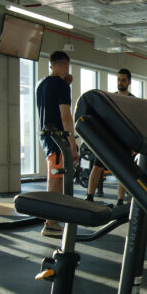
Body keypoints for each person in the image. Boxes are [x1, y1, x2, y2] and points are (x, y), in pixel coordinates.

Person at [36, 51, 79, 237]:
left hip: (46, 136)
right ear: (65, 65)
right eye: (67, 66)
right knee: (55, 180)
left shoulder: (41, 84)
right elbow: (65, 116)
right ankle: (50, 223)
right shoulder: (61, 86)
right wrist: (72, 144)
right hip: (58, 138)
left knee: (57, 178)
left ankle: (52, 219)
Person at [84, 68, 136, 206]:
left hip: (124, 141)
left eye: (123, 80)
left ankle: (120, 200)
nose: (120, 82)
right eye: (119, 79)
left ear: (129, 82)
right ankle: (89, 196)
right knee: (97, 167)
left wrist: (134, 146)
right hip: (107, 140)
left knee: (122, 171)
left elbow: (135, 125)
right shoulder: (109, 99)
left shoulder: (133, 101)